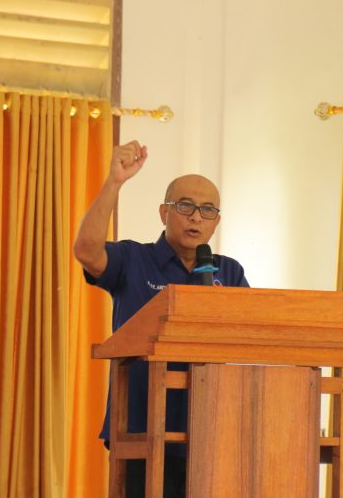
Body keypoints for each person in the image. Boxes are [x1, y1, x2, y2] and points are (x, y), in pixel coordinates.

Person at [73, 140, 249, 497]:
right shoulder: (133, 259)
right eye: (185, 206)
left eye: (207, 210)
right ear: (163, 213)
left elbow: (250, 333)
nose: (196, 217)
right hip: (141, 427)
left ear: (216, 221)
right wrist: (114, 181)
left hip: (210, 432)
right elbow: (87, 250)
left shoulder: (228, 271)